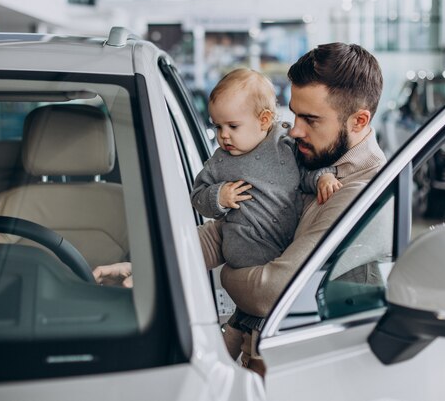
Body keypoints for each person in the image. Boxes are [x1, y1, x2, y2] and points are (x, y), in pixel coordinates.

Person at [94, 42, 386, 376]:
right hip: (260, 365)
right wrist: (148, 268)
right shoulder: (306, 160)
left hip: (311, 376)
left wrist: (228, 272)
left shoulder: (365, 194)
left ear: (359, 120)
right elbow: (231, 230)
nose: (295, 129)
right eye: (293, 113)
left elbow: (269, 294)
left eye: (310, 119)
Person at [190, 67, 341, 361]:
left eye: (232, 126)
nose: (223, 136)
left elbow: (308, 173)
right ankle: (222, 369)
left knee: (256, 340)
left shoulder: (285, 146)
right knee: (240, 339)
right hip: (242, 257)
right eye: (217, 126)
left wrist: (324, 178)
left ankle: (245, 365)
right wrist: (218, 197)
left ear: (264, 120)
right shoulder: (219, 163)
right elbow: (198, 196)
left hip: (278, 259)